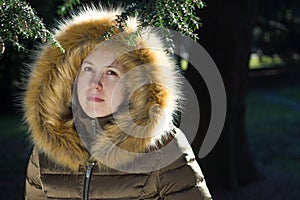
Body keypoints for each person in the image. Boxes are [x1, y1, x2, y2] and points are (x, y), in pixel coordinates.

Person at [24, 6, 212, 200]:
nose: (95, 83)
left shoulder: (164, 148)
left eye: (111, 73)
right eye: (88, 69)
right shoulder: (46, 151)